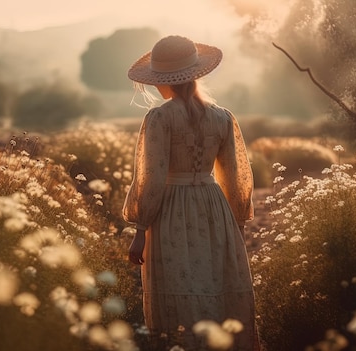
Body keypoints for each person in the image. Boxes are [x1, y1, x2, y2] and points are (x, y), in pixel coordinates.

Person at [123, 35, 260, 351]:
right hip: (214, 207)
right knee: (215, 281)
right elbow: (236, 174)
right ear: (196, 74)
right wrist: (236, 221)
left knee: (180, 283)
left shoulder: (159, 118)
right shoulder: (222, 117)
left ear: (163, 82)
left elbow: (152, 177)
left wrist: (140, 229)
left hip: (173, 210)